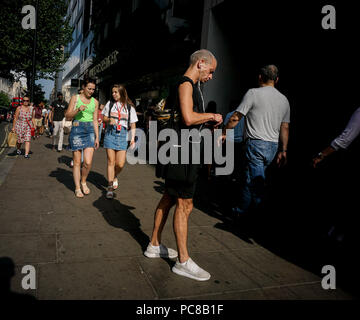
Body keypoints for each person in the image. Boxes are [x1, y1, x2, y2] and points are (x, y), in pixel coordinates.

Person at [144, 49, 223, 281]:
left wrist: (207, 124)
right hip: (182, 152)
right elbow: (188, 118)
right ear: (201, 63)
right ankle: (183, 261)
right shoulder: (186, 84)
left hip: (180, 150)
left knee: (169, 197)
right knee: (184, 203)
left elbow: (185, 120)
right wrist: (211, 116)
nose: (211, 76)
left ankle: (153, 245)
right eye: (211, 71)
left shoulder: (191, 85)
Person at [223, 65, 290, 216]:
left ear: (260, 77)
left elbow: (235, 117)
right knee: (249, 178)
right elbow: (285, 127)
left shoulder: (253, 93)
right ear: (277, 79)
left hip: (256, 145)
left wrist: (224, 132)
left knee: (257, 183)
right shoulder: (284, 100)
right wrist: (283, 150)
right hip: (273, 146)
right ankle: (241, 211)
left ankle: (262, 215)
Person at [102, 84, 138, 199]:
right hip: (110, 134)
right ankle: (110, 187)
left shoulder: (129, 107)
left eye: (116, 92)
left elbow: (133, 124)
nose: (113, 94)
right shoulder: (110, 104)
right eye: (112, 92)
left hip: (123, 135)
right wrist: (109, 119)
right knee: (111, 162)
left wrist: (132, 139)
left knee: (120, 164)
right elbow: (103, 118)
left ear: (121, 93)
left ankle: (115, 175)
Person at [65, 78, 99, 198]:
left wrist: (97, 137)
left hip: (90, 130)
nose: (91, 91)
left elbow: (95, 120)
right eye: (89, 88)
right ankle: (77, 188)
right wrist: (78, 109)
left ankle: (83, 181)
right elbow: (67, 115)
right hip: (77, 128)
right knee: (77, 162)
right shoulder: (76, 98)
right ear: (84, 87)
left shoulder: (95, 102)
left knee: (88, 163)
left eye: (93, 89)